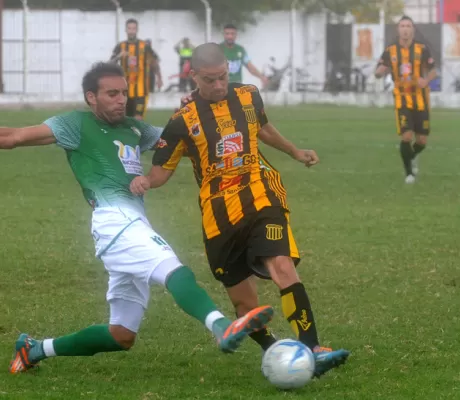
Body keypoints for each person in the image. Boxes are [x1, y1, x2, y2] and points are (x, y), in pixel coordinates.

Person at [0, 62, 275, 374]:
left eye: (123, 93)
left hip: (130, 224)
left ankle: (35, 348)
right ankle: (221, 327)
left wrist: (195, 105)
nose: (121, 99)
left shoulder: (136, 129)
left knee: (122, 335)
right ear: (92, 98)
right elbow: (13, 137)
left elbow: (183, 139)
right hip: (113, 218)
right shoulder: (75, 125)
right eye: (111, 94)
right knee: (172, 268)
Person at [130, 43, 349, 378]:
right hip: (218, 216)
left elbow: (262, 128)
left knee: (282, 265)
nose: (218, 85)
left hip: (259, 195)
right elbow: (162, 170)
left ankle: (312, 347)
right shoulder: (182, 121)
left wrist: (294, 151)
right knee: (245, 305)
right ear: (194, 76)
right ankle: (276, 351)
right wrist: (145, 181)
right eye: (209, 80)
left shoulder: (248, 95)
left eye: (222, 77)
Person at [375, 16, 437, 184]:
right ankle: (409, 174)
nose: (405, 29)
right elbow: (380, 68)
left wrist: (426, 80)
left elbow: (433, 71)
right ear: (398, 29)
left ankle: (412, 156)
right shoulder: (390, 50)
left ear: (413, 29)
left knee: (422, 141)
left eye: (408, 25)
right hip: (402, 99)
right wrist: (379, 72)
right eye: (402, 25)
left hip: (421, 99)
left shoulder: (422, 49)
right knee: (407, 137)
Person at [111, 19, 163, 119]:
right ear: (126, 30)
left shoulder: (144, 46)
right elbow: (110, 63)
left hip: (141, 90)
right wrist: (119, 56)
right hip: (124, 90)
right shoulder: (120, 46)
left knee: (138, 118)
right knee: (125, 119)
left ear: (137, 30)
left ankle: (137, 133)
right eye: (129, 28)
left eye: (133, 28)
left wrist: (159, 78)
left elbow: (154, 63)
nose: (131, 31)